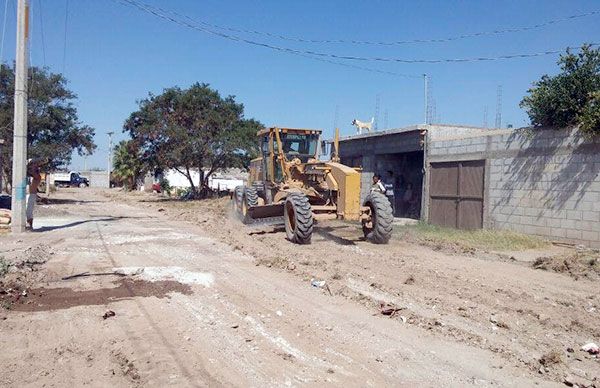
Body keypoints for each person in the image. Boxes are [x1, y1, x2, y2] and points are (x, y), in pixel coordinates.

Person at [25, 159, 43, 230]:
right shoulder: (27, 175)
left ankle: (30, 226)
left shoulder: (37, 176)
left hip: (31, 194)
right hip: (24, 194)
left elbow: (33, 174)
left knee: (28, 211)